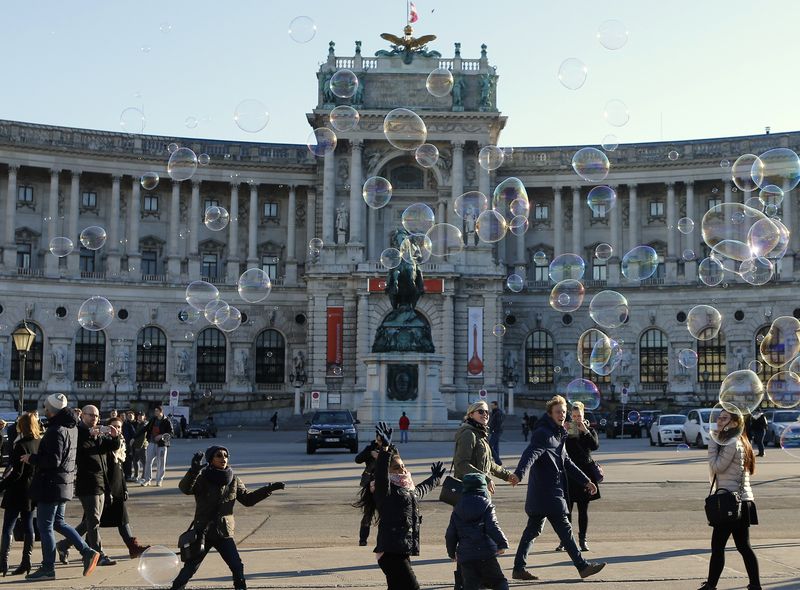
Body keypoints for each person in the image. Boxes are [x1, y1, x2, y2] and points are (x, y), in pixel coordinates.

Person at [511, 395, 606, 582]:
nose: (562, 415)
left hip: (546, 492)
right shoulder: (544, 433)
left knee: (532, 531)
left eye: (564, 411)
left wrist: (586, 481)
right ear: (550, 413)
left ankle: (518, 568)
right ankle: (582, 566)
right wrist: (519, 474)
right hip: (548, 491)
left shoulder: (558, 433)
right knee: (565, 529)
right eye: (558, 412)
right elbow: (530, 454)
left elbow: (567, 462)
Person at [169, 445, 285, 590]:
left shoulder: (234, 480)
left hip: (224, 532)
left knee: (237, 566)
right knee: (190, 568)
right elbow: (185, 489)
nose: (223, 458)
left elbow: (248, 500)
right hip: (203, 532)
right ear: (211, 459)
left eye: (225, 455)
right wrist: (193, 471)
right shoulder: (203, 478)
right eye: (219, 455)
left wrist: (268, 489)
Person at [22, 393, 100, 581]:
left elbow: (53, 460)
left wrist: (31, 458)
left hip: (51, 485)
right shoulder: (71, 428)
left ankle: (48, 567)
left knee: (45, 526)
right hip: (64, 484)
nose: (44, 410)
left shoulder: (56, 430)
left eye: (46, 407)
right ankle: (87, 551)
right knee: (58, 522)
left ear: (51, 410)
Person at [58, 416, 150, 564]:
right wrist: (109, 490)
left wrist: (124, 487)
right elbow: (102, 467)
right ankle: (89, 550)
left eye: (119, 427)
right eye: (113, 426)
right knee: (93, 521)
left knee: (107, 520)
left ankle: (72, 546)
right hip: (104, 487)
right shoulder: (101, 441)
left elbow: (119, 468)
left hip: (116, 486)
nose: (117, 429)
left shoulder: (118, 443)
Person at [372, 422, 445, 590]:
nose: (402, 469)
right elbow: (381, 473)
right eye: (397, 467)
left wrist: (435, 478)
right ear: (390, 472)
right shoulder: (385, 490)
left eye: (403, 466)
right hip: (391, 553)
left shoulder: (408, 490)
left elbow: (421, 490)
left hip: (401, 550)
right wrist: (385, 449)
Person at [698, 410, 761, 590]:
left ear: (734, 423)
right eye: (719, 417)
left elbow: (717, 466)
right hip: (741, 500)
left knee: (718, 547)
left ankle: (711, 586)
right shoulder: (739, 440)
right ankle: (755, 585)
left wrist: (712, 442)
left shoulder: (731, 442)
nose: (719, 420)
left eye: (724, 418)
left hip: (730, 502)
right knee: (744, 546)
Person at [70, 404, 122, 566]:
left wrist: (115, 436)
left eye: (97, 416)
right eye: (91, 415)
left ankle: (64, 544)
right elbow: (80, 451)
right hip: (87, 483)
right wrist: (89, 435)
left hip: (101, 482)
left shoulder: (98, 434)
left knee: (92, 521)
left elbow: (113, 446)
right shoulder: (78, 432)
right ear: (82, 416)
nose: (94, 419)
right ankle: (98, 554)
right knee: (93, 521)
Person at [445, 473, 509, 590]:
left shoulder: (457, 508)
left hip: (466, 556)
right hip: (486, 554)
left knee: (471, 585)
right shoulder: (486, 505)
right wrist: (502, 543)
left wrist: (451, 552)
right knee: (499, 581)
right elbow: (492, 526)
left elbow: (450, 534)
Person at [556, 401, 600, 552]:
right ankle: (565, 540)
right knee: (566, 510)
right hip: (569, 474)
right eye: (574, 416)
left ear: (583, 415)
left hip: (585, 475)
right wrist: (563, 432)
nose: (576, 419)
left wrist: (586, 431)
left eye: (579, 416)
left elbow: (594, 446)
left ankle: (582, 540)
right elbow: (558, 448)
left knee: (583, 509)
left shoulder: (589, 431)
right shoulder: (567, 430)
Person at [0, 412, 41, 576]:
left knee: (8, 527)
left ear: (21, 426)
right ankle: (27, 561)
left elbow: (17, 473)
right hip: (32, 489)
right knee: (28, 526)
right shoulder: (38, 442)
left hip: (17, 490)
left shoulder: (20, 445)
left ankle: (3, 562)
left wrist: (1, 485)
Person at [454, 401, 519, 493]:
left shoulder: (480, 434)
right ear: (471, 415)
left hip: (480, 488)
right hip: (470, 490)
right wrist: (485, 479)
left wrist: (507, 475)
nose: (485, 414)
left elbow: (489, 463)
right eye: (480, 411)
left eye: (487, 412)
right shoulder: (468, 434)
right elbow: (461, 464)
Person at [353, 434, 382, 546]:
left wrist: (381, 456)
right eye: (378, 440)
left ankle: (382, 541)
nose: (379, 442)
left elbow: (396, 463)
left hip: (384, 485)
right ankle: (363, 540)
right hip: (369, 485)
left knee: (384, 516)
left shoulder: (391, 449)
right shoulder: (370, 448)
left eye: (382, 440)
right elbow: (358, 459)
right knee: (367, 514)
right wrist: (370, 453)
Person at [141, 405, 173, 487]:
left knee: (161, 463)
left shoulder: (167, 421)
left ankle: (159, 480)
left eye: (156, 411)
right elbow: (145, 428)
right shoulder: (153, 419)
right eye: (154, 411)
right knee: (148, 462)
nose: (155, 412)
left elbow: (171, 433)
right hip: (151, 443)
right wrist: (134, 437)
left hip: (162, 445)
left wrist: (162, 436)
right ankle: (147, 480)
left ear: (161, 412)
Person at [131, 412, 148, 482]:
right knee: (135, 461)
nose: (140, 417)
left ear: (144, 417)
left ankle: (144, 477)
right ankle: (136, 475)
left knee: (144, 462)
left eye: (142, 416)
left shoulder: (144, 424)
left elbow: (143, 437)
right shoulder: (138, 424)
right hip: (136, 445)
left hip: (142, 446)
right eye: (139, 416)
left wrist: (139, 446)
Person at [122, 411, 137, 481]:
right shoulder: (121, 424)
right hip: (121, 444)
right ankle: (124, 475)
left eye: (123, 416)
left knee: (128, 461)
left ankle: (128, 475)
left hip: (128, 445)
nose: (123, 417)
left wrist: (132, 440)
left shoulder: (128, 424)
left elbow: (134, 433)